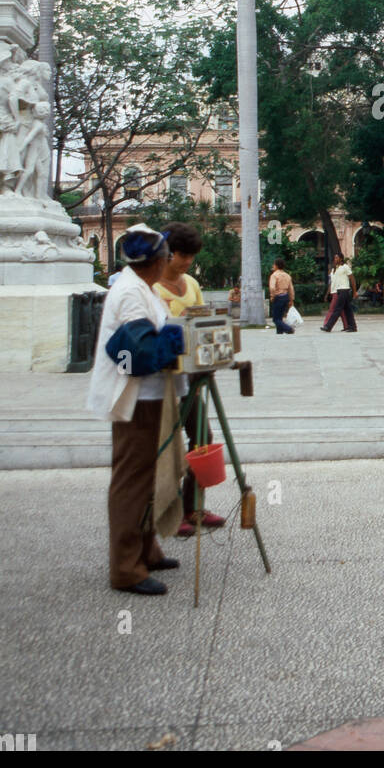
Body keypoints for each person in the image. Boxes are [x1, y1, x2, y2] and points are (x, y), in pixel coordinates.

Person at [85, 224, 189, 596]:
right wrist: (173, 340)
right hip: (135, 399)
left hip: (149, 397)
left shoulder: (139, 288)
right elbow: (137, 355)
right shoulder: (130, 292)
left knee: (147, 476)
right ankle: (126, 567)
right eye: (166, 257)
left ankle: (146, 548)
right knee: (132, 480)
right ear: (158, 260)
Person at [154, 223, 227, 539]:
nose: (186, 262)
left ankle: (194, 506)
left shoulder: (192, 284)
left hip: (192, 380)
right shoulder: (151, 288)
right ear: (167, 252)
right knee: (168, 447)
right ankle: (168, 513)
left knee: (202, 439)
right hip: (162, 383)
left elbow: (202, 324)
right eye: (181, 255)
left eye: (190, 257)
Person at [321, 252, 358, 332]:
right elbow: (332, 282)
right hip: (339, 291)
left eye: (337, 258)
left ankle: (328, 326)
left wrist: (355, 291)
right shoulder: (335, 269)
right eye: (334, 258)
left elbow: (352, 279)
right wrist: (328, 293)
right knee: (348, 310)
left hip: (344, 290)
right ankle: (352, 327)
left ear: (341, 259)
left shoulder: (345, 267)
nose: (335, 259)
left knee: (337, 309)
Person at [269, 258, 296, 335]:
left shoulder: (274, 275)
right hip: (285, 297)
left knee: (275, 319)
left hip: (278, 297)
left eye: (274, 264)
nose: (273, 266)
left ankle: (289, 329)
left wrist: (272, 296)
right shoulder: (287, 275)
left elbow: (272, 287)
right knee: (280, 316)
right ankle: (279, 332)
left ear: (276, 266)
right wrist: (291, 299)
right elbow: (291, 289)